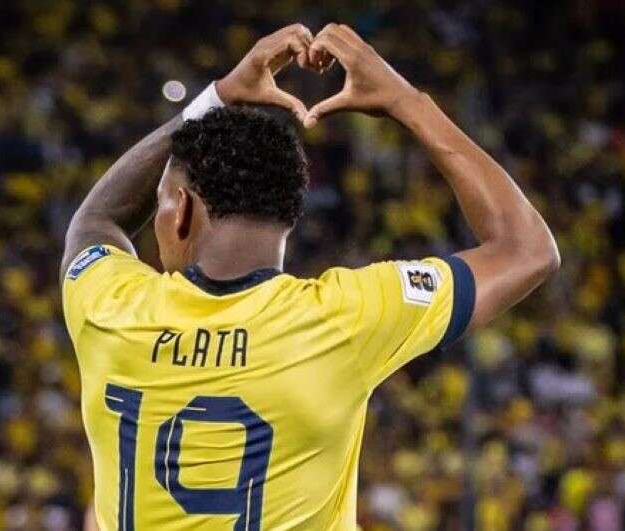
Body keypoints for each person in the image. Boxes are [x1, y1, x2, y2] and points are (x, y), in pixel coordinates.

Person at [61, 23, 559, 531]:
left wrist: (218, 97)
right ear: (287, 212)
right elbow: (527, 249)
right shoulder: (343, 316)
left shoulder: (112, 308)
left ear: (181, 210)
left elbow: (98, 218)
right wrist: (406, 102)